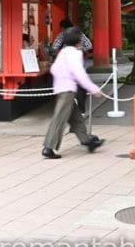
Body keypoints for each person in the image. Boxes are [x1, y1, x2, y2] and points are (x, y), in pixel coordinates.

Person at [41, 26, 104, 159]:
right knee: (59, 119)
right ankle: (49, 147)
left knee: (76, 118)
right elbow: (80, 74)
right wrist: (94, 89)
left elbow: (54, 70)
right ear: (78, 40)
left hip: (61, 88)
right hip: (68, 90)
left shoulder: (63, 52)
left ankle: (87, 141)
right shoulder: (75, 54)